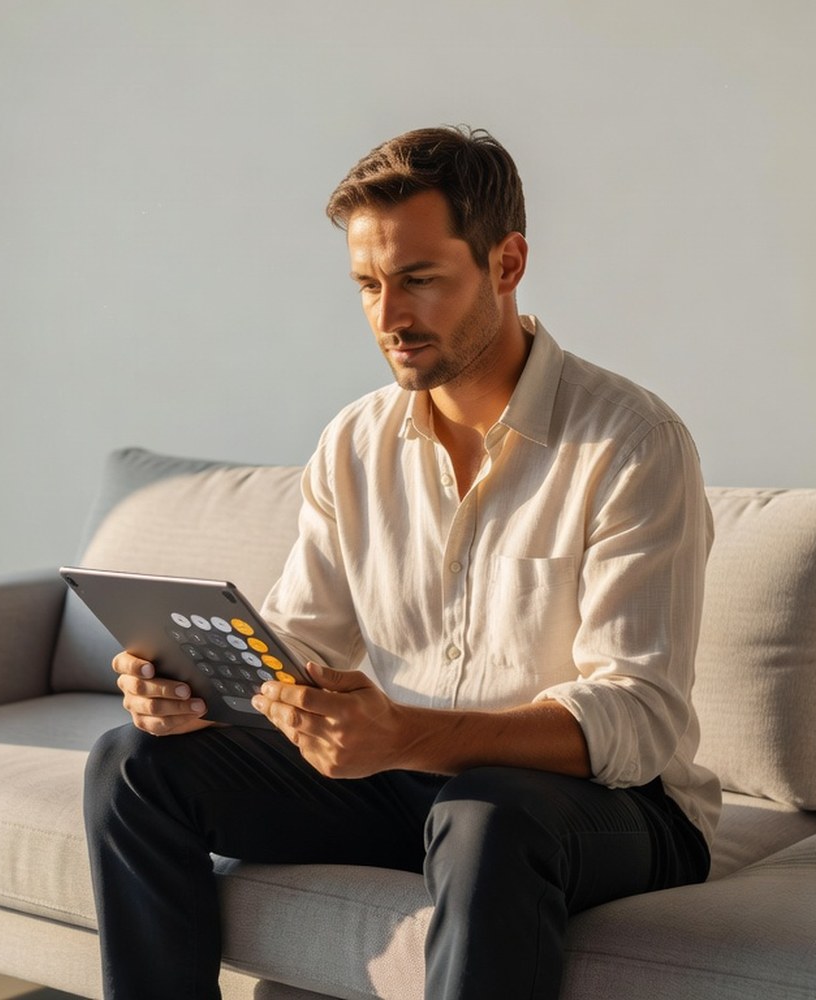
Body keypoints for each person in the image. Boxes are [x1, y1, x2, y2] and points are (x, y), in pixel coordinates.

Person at [83, 126, 721, 1000]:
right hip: (404, 785)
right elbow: (301, 642)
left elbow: (637, 717)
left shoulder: (631, 442)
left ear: (506, 262)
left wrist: (409, 736)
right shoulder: (354, 441)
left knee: (485, 812)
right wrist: (202, 693)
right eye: (369, 285)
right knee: (132, 764)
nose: (389, 318)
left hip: (611, 808)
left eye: (420, 279)